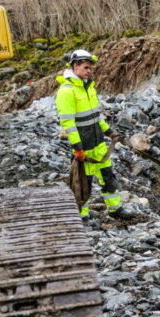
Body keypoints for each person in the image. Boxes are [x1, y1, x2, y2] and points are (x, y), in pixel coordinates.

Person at [56, 49, 125, 219]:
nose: (89, 71)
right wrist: (78, 148)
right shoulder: (67, 91)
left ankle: (115, 209)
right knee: (83, 183)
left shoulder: (89, 88)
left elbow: (96, 115)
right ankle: (82, 215)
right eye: (86, 67)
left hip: (99, 144)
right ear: (75, 66)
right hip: (84, 148)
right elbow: (68, 123)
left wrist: (109, 132)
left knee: (108, 176)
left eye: (90, 68)